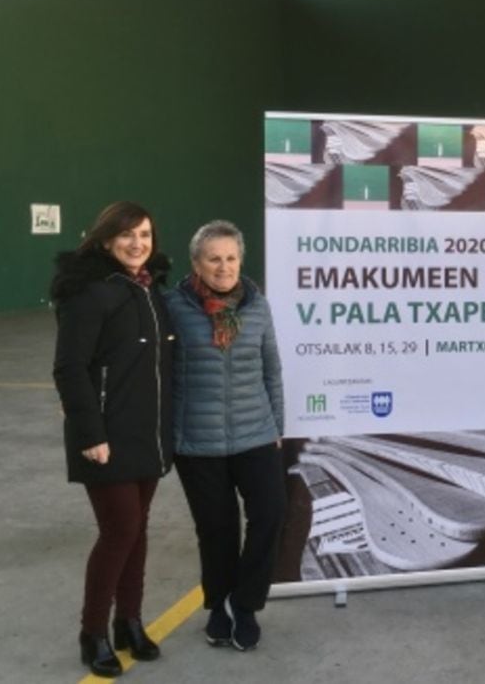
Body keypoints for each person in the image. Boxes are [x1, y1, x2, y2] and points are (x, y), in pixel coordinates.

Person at [51, 201, 174, 678]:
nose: (137, 243)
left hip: (147, 434)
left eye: (144, 234)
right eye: (126, 235)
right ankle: (93, 632)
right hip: (105, 437)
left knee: (137, 530)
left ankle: (129, 622)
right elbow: (69, 367)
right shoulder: (91, 292)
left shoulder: (147, 289)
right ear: (105, 239)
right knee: (119, 530)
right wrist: (90, 433)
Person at [165, 220, 285, 651]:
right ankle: (218, 606)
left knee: (270, 515)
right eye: (213, 258)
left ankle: (245, 602)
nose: (223, 266)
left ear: (241, 261)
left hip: (256, 433)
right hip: (199, 441)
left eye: (231, 257)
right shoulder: (173, 306)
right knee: (216, 530)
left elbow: (271, 367)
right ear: (196, 263)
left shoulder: (257, 305)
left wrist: (277, 426)